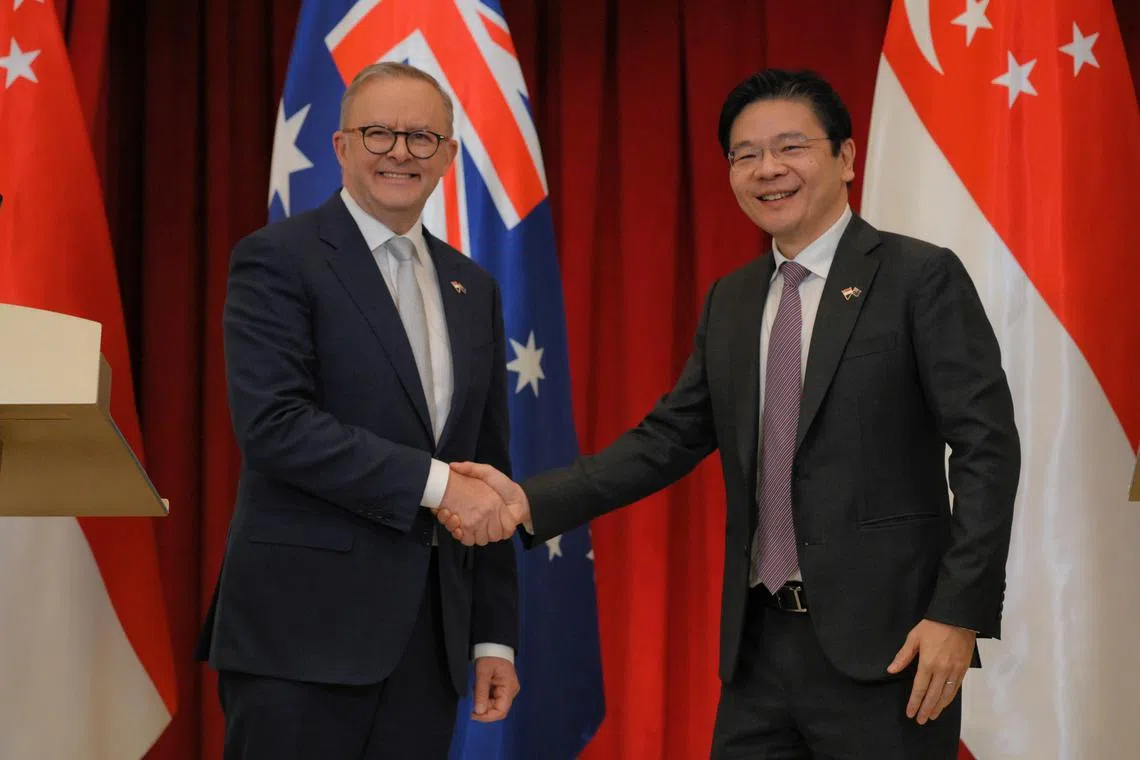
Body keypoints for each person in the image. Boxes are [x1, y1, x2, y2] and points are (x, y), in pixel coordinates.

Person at [439, 68, 1020, 759]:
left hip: (889, 650)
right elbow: (668, 439)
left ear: (846, 157)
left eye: (790, 147)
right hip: (758, 652)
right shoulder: (734, 300)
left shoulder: (918, 277)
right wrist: (528, 501)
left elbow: (987, 448)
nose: (767, 170)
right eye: (745, 154)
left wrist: (956, 611)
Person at [195, 62, 523, 760]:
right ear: (342, 147)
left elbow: (487, 465)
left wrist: (492, 635)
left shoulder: (475, 286)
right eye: (378, 133)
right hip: (299, 640)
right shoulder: (277, 258)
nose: (400, 151)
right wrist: (439, 487)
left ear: (449, 157)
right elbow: (274, 427)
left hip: (427, 645)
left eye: (421, 137)